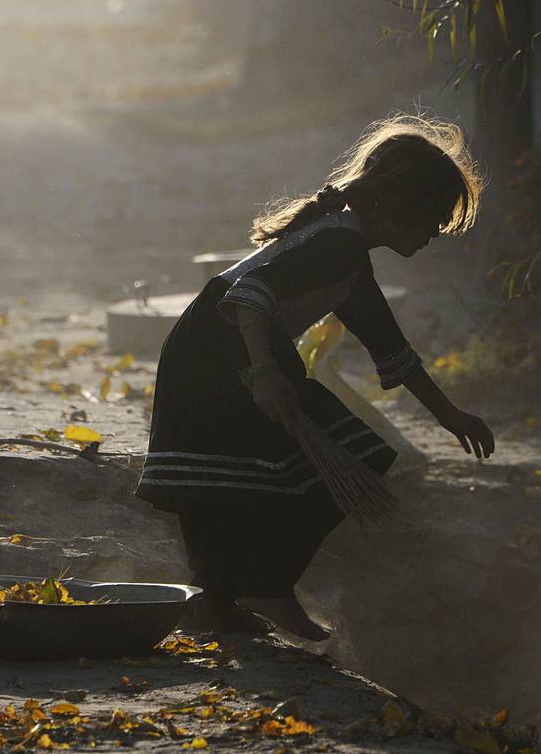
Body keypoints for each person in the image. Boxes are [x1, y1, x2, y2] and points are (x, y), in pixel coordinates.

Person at [136, 115, 495, 640]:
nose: (435, 233)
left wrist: (451, 415)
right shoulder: (338, 245)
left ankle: (218, 604)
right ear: (399, 204)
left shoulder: (350, 260)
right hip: (221, 352)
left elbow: (394, 354)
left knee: (225, 478)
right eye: (434, 217)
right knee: (328, 461)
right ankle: (265, 587)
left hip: (217, 351)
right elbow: (248, 295)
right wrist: (263, 373)